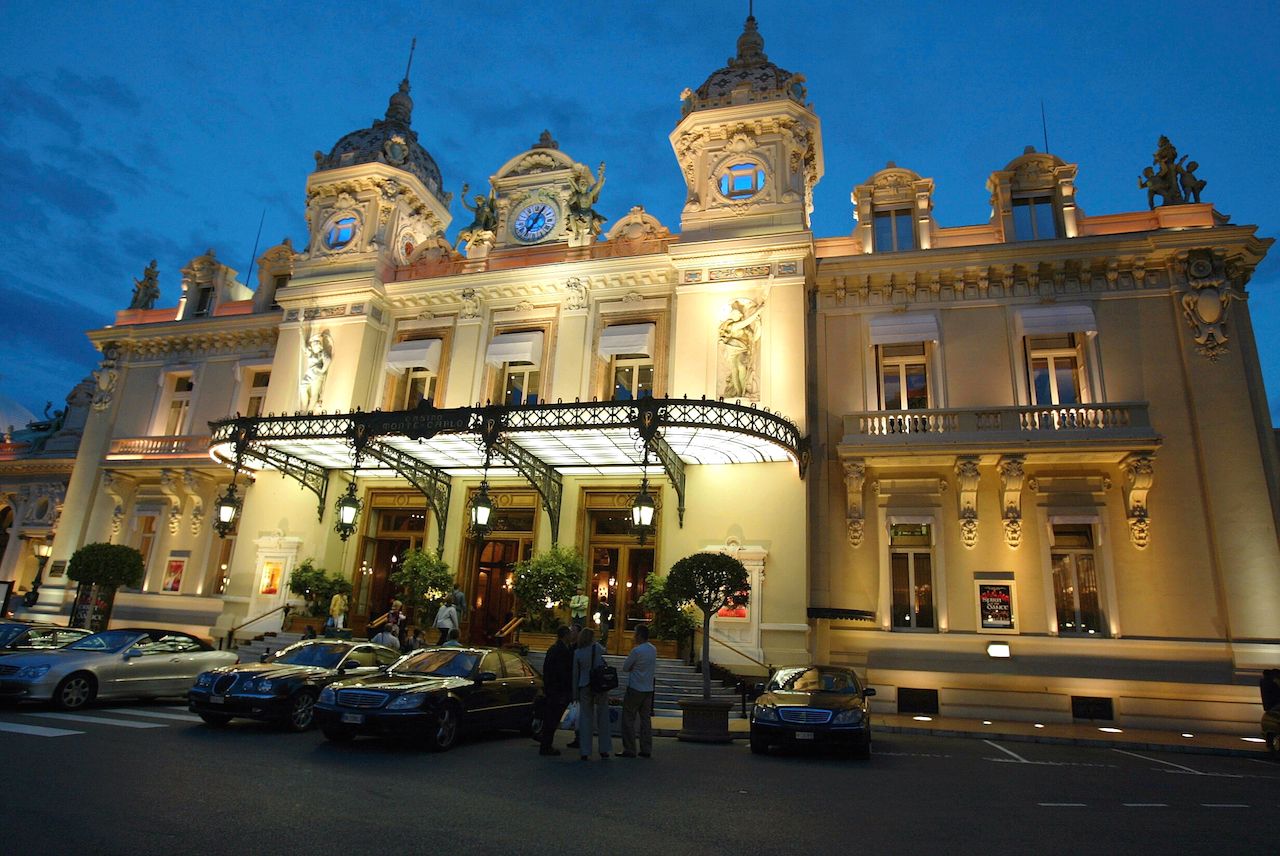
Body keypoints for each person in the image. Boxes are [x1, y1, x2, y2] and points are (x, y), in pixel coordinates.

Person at [571, 627, 612, 760]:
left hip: (584, 685)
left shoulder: (578, 653)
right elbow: (605, 651)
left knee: (585, 718)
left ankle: (585, 750)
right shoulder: (597, 648)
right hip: (599, 685)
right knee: (603, 716)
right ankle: (604, 748)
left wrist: (575, 692)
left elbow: (575, 674)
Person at [619, 624, 656, 758]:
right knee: (645, 719)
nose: (633, 636)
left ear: (639, 635)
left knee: (628, 718)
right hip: (648, 688)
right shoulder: (653, 649)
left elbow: (626, 667)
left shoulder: (636, 651)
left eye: (635, 633)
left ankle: (630, 748)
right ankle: (646, 747)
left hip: (635, 687)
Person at [538, 626, 574, 757]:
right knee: (552, 718)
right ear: (565, 635)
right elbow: (561, 672)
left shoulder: (555, 649)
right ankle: (546, 745)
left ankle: (546, 744)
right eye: (570, 634)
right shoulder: (561, 650)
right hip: (557, 690)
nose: (572, 636)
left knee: (551, 718)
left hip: (553, 689)